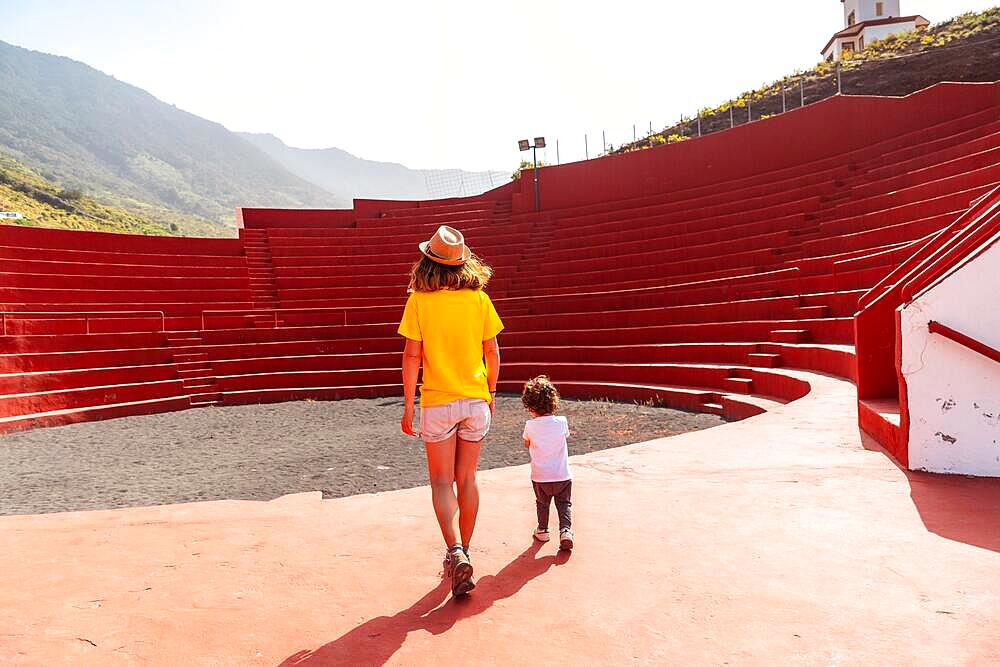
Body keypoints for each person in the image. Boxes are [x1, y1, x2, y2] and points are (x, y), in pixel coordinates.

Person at [398, 225, 503, 597]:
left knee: (442, 483)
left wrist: (409, 405)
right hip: (475, 400)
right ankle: (466, 551)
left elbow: (412, 356)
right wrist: (489, 391)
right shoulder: (479, 299)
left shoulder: (419, 302)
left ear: (428, 261)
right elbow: (491, 351)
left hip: (438, 402)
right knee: (468, 479)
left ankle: (455, 551)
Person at [521, 375, 574, 551]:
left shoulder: (530, 425)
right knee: (564, 503)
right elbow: (566, 435)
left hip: (540, 476)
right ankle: (565, 530)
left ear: (530, 407)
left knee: (542, 503)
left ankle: (543, 530)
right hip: (561, 475)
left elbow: (526, 443)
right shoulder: (562, 422)